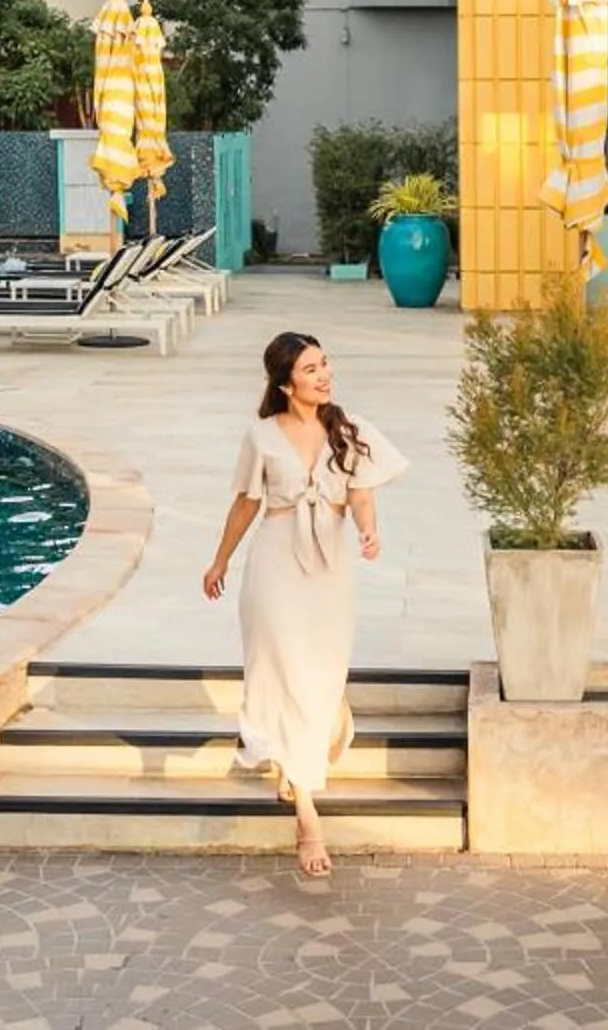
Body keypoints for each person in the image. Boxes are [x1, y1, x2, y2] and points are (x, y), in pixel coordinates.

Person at [201, 331, 406, 877]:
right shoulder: (261, 435)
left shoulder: (349, 429)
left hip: (329, 568)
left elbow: (361, 493)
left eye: (325, 364)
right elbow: (246, 504)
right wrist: (220, 562)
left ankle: (298, 756)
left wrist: (368, 529)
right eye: (311, 369)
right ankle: (308, 820)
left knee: (321, 676)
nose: (324, 375)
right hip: (275, 565)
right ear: (286, 383)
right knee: (283, 670)